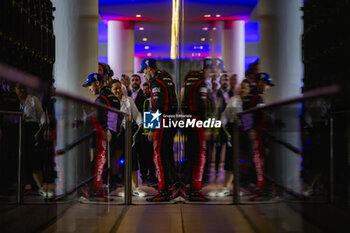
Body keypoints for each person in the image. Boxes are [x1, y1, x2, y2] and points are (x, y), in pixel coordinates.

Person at [138, 58, 178, 202]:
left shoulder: (156, 82)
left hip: (162, 122)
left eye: (143, 71)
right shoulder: (167, 78)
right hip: (171, 121)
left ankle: (163, 189)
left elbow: (157, 106)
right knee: (167, 155)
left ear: (149, 69)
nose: (143, 74)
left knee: (159, 155)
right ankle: (170, 186)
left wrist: (152, 128)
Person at [209, 79, 252, 197]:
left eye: (245, 88)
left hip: (246, 134)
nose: (243, 90)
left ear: (249, 90)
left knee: (244, 161)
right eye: (242, 87)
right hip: (234, 131)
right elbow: (225, 116)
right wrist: (221, 129)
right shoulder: (234, 100)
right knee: (230, 159)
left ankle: (238, 187)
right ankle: (226, 187)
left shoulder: (251, 101)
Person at [81, 73, 120, 202]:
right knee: (102, 161)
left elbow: (100, 117)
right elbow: (116, 116)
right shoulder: (112, 97)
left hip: (102, 136)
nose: (89, 88)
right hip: (110, 134)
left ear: (98, 83)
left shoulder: (101, 98)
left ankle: (94, 190)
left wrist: (105, 129)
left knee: (100, 162)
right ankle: (94, 188)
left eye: (90, 85)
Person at [110, 79, 146, 197]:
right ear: (111, 90)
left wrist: (140, 125)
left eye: (119, 88)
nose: (118, 90)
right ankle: (121, 187)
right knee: (117, 160)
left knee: (132, 159)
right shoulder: (109, 102)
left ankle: (135, 187)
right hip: (115, 135)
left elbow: (137, 114)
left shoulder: (128, 100)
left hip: (128, 132)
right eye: (115, 88)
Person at [181, 70, 209, 202]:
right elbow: (202, 106)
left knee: (191, 154)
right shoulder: (201, 82)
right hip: (197, 122)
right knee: (200, 155)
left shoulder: (187, 84)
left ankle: (189, 185)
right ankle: (195, 189)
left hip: (187, 121)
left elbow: (183, 105)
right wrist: (205, 125)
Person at [14, 84, 45, 196]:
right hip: (19, 130)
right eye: (19, 88)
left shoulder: (33, 99)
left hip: (32, 130)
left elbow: (41, 115)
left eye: (23, 88)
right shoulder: (14, 102)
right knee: (21, 158)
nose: (21, 90)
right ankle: (23, 185)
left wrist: (43, 130)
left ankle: (40, 186)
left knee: (34, 158)